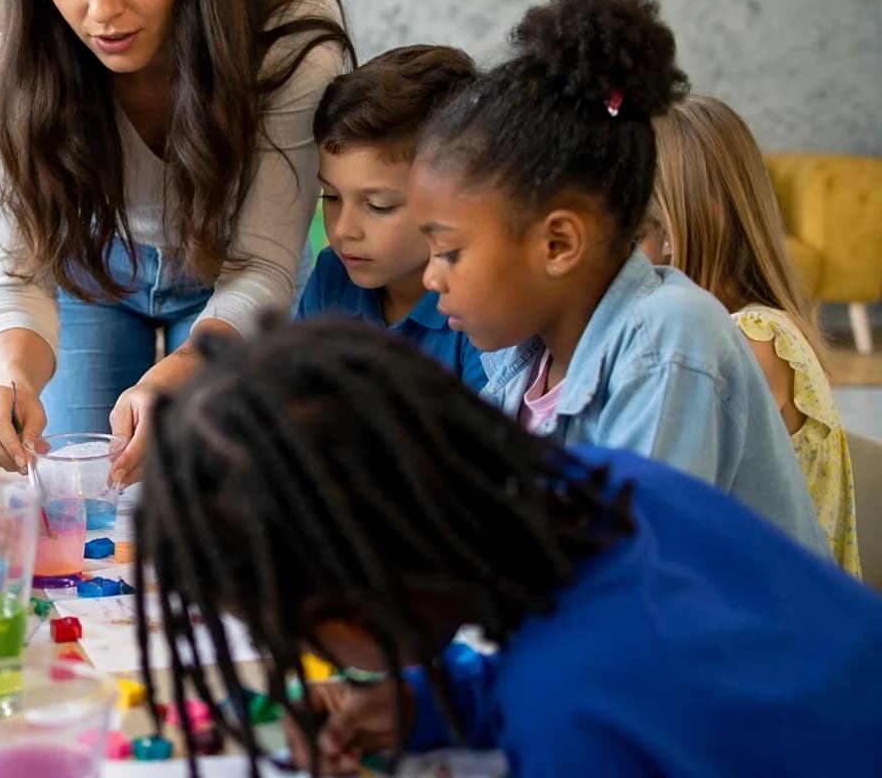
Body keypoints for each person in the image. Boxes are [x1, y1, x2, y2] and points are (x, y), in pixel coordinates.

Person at [135, 317, 882, 777]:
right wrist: (436, 700)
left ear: (360, 595)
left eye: (293, 632)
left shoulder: (566, 706)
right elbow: (674, 694)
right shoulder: (608, 485)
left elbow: (598, 700)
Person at [0, 0, 353, 483]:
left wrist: (186, 367)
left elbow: (263, 267)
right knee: (83, 482)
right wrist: (11, 379)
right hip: (94, 265)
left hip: (231, 267)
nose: (102, 8)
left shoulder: (288, 35)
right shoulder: (15, 71)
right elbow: (19, 276)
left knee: (210, 478)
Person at [406, 0, 826, 553]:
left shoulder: (671, 340)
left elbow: (627, 584)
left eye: (450, 251)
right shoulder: (522, 362)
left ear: (558, 244)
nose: (432, 279)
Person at [643, 93, 859, 575]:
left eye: (635, 228)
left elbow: (668, 521)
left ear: (690, 223)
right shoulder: (744, 328)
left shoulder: (749, 341)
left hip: (776, 630)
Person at [297, 45, 485, 389]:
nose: (342, 230)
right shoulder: (331, 277)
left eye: (379, 206)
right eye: (332, 197)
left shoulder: (478, 310)